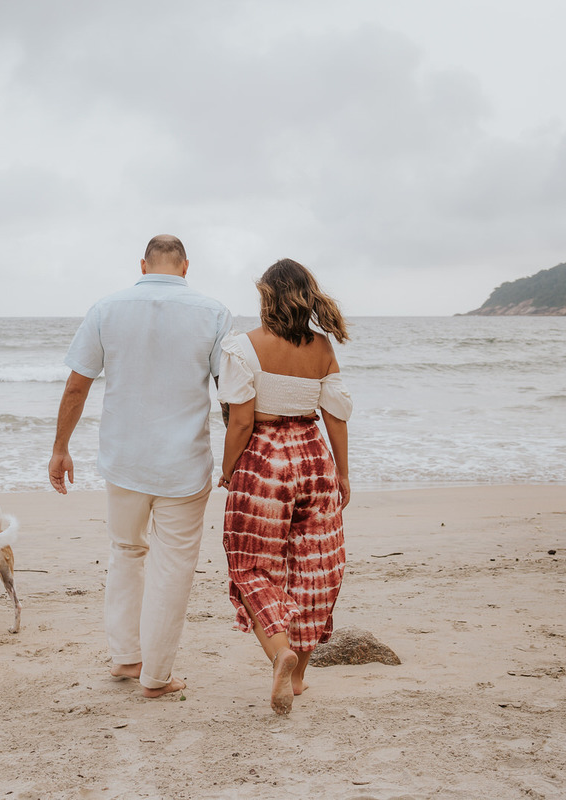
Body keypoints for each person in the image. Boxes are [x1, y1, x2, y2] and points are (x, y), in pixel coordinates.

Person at [49, 234, 232, 698]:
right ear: (185, 267)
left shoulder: (106, 309)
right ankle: (156, 677)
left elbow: (76, 387)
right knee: (173, 567)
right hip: (184, 465)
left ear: (143, 264)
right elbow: (230, 394)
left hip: (124, 461)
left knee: (126, 553)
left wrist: (60, 449)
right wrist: (236, 457)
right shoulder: (213, 313)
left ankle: (127, 658)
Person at [217, 258, 352, 715]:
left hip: (263, 461)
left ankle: (280, 653)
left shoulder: (243, 347)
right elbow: (335, 415)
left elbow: (239, 420)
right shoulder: (323, 348)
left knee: (251, 565)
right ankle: (297, 679)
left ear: (267, 297)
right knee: (316, 567)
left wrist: (228, 469)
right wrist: (343, 473)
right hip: (314, 455)